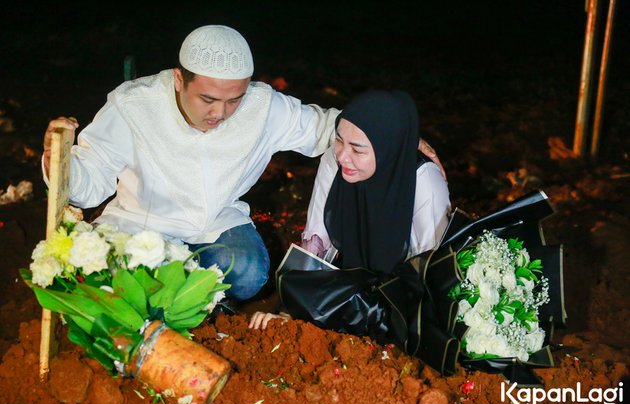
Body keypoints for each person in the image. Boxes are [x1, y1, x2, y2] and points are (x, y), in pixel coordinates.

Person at [44, 25, 443, 305]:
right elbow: (88, 182)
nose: (221, 113)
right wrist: (57, 160)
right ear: (179, 80)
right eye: (208, 100)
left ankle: (182, 292)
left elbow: (325, 126)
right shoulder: (133, 104)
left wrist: (392, 138)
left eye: (233, 100)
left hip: (216, 225)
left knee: (251, 273)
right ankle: (183, 293)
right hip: (143, 225)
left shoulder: (262, 105)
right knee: (105, 274)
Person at [249, 89, 451, 330]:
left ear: (389, 149)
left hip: (401, 299)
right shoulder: (334, 162)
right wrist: (292, 310)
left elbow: (430, 272)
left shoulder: (423, 180)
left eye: (358, 150)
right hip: (348, 288)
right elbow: (316, 244)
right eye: (338, 140)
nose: (343, 156)